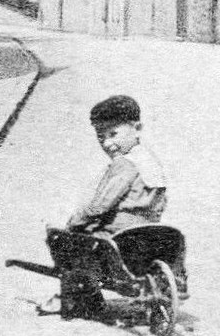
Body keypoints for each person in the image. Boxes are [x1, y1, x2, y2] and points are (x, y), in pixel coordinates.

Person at [64, 94, 187, 300]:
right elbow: (160, 200)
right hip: (151, 231)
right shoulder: (152, 161)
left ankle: (82, 298)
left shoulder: (124, 164)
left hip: (119, 234)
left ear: (137, 128)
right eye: (101, 137)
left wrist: (74, 223)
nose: (108, 144)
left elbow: (100, 206)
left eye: (113, 134)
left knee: (71, 242)